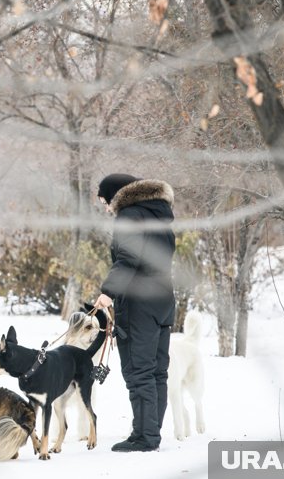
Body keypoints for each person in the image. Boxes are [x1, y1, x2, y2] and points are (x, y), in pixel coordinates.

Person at [92, 174, 176, 452]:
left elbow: (129, 258)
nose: (106, 209)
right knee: (157, 372)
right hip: (163, 299)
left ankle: (144, 437)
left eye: (105, 201)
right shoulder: (159, 215)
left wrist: (108, 291)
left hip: (139, 301)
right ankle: (150, 432)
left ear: (117, 195)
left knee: (139, 371)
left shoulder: (129, 216)